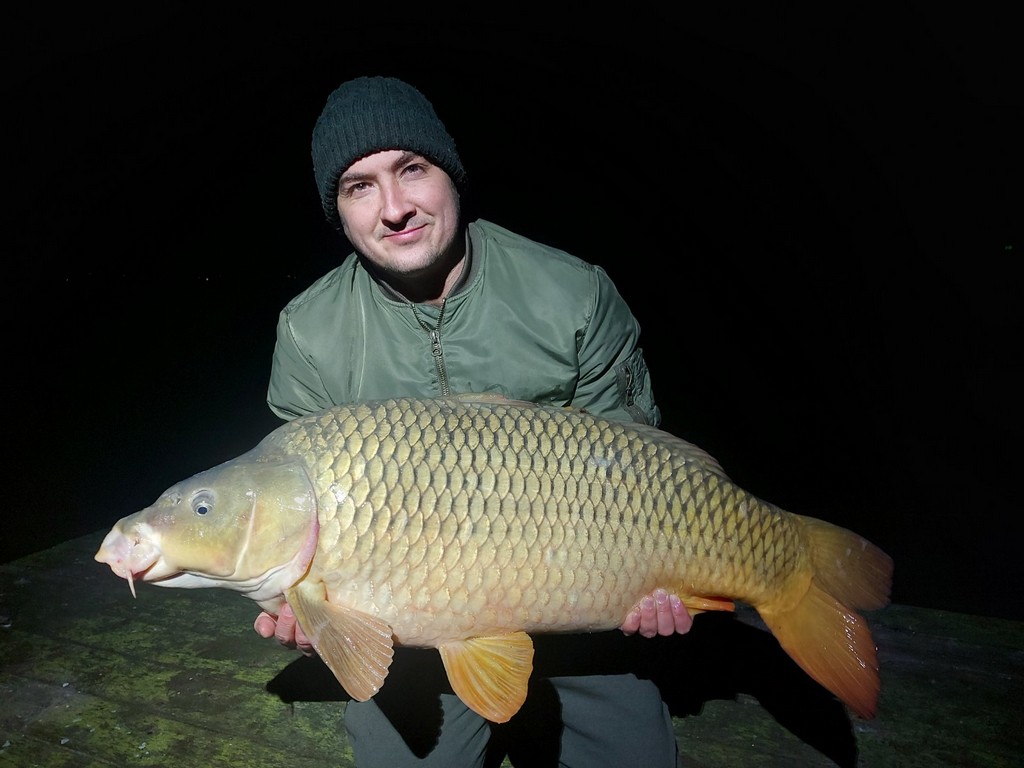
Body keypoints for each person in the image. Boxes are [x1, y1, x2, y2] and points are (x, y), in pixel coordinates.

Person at [252, 75, 693, 767]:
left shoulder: (572, 295)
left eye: (411, 170)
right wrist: (316, 616)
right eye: (359, 187)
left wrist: (656, 579)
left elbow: (642, 468)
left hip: (579, 604)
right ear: (338, 211)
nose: (394, 208)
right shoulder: (310, 333)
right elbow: (300, 518)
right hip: (412, 630)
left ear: (451, 176)